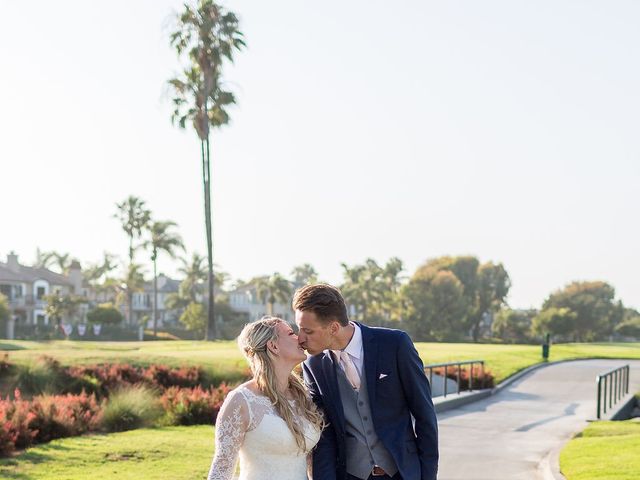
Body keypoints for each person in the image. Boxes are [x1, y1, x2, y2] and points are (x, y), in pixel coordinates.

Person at [294, 284, 438, 480]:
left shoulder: (395, 344)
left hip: (402, 473)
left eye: (307, 331)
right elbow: (324, 434)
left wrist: (428, 476)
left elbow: (425, 415)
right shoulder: (314, 365)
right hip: (351, 474)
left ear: (334, 327)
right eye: (298, 329)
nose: (300, 338)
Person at [207, 316, 324, 480]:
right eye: (291, 333)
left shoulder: (303, 395)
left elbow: (309, 462)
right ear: (273, 346)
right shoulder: (242, 401)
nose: (299, 338)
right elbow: (221, 471)